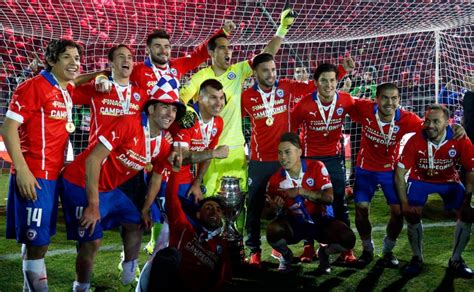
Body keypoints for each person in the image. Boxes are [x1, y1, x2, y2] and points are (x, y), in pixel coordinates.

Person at [59, 79, 184, 291]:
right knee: (92, 241)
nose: (170, 113)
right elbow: (92, 160)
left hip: (109, 188)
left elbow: (156, 177)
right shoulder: (129, 123)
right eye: (164, 106)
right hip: (79, 182)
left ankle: (128, 275)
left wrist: (145, 209)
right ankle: (80, 287)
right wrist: (93, 204)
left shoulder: (163, 143)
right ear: (151, 109)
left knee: (135, 222)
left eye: (173, 109)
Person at [241, 53, 353, 266]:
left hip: (287, 159)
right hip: (259, 160)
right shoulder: (245, 96)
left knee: (299, 200)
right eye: (265, 70)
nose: (271, 74)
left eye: (273, 69)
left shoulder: (287, 87)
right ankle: (254, 251)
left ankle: (304, 244)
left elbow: (317, 86)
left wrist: (342, 71)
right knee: (254, 206)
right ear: (255, 74)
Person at [180, 7, 296, 197]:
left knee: (238, 198)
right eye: (222, 47)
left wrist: (282, 28)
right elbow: (181, 102)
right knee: (208, 198)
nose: (229, 51)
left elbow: (265, 56)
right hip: (209, 149)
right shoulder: (199, 77)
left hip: (235, 146)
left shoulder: (238, 71)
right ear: (210, 53)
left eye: (230, 47)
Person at [349, 83, 466, 268]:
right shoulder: (363, 108)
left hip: (390, 171)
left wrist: (455, 127)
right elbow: (343, 103)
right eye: (385, 98)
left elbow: (431, 125)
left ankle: (388, 250)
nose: (390, 102)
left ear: (399, 100)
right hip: (365, 170)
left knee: (398, 213)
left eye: (394, 98)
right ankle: (367, 249)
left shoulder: (407, 118)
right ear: (376, 99)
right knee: (361, 209)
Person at [4, 39, 82, 291]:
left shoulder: (64, 89)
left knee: (39, 240)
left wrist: (102, 74)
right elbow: (8, 128)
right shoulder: (33, 87)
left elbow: (76, 81)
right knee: (37, 244)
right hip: (35, 174)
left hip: (54, 174)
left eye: (77, 58)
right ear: (51, 61)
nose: (74, 63)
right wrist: (23, 170)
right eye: (67, 57)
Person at [141, 79, 229, 254]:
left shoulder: (217, 123)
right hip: (165, 173)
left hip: (186, 177)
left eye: (221, 98)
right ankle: (157, 250)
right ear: (200, 99)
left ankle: (188, 256)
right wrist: (213, 153)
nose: (218, 103)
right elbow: (182, 159)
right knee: (165, 220)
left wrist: (197, 183)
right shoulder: (187, 118)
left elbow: (206, 155)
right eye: (213, 97)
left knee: (190, 220)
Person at [395, 104, 474, 278]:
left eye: (436, 121)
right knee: (412, 214)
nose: (430, 125)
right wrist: (405, 204)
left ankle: (456, 259)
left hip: (449, 181)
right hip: (420, 180)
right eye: (427, 121)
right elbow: (400, 175)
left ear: (447, 122)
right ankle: (417, 258)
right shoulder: (415, 139)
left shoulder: (460, 138)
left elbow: (471, 170)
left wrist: (468, 201)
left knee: (467, 214)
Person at [291, 63, 357, 264]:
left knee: (339, 201)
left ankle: (347, 248)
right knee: (308, 204)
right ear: (315, 83)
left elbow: (365, 113)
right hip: (309, 160)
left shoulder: (346, 100)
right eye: (323, 81)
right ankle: (308, 247)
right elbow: (292, 131)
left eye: (332, 80)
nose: (328, 85)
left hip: (335, 160)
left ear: (337, 82)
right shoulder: (303, 104)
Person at [265, 132, 356, 273]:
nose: (283, 157)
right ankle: (286, 255)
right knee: (273, 231)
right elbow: (266, 214)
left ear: (299, 152)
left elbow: (329, 198)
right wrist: (273, 208)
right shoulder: (275, 179)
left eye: (288, 152)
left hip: (321, 221)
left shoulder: (317, 167)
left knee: (348, 239)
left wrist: (302, 191)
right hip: (294, 224)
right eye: (280, 153)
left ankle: (324, 253)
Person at [137, 171, 232, 291]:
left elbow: (224, 277)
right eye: (208, 208)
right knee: (168, 255)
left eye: (218, 210)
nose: (214, 211)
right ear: (198, 214)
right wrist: (176, 170)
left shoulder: (221, 245)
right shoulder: (182, 226)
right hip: (172, 285)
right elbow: (171, 196)